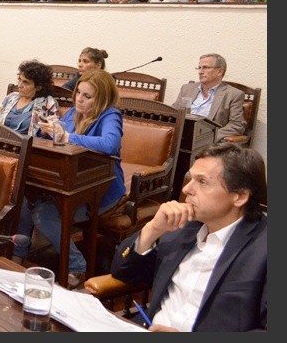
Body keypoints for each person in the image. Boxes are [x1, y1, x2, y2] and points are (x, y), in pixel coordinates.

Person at [105, 142, 266, 332]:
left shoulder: (263, 248)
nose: (187, 189)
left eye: (202, 182)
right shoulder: (182, 227)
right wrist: (152, 230)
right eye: (191, 179)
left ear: (239, 197)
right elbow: (123, 272)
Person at [15, 69, 125, 289]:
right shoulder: (73, 113)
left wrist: (67, 136)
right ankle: (17, 257)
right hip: (69, 182)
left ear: (101, 98)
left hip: (100, 189)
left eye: (87, 96)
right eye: (78, 94)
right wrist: (48, 131)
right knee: (26, 202)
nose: (80, 100)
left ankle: (77, 266)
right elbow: (56, 139)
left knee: (44, 214)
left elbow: (109, 144)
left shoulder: (110, 115)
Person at [171, 53, 246, 143]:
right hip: (180, 136)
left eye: (206, 67)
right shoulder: (187, 88)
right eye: (199, 68)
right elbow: (173, 112)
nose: (200, 72)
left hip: (207, 142)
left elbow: (237, 125)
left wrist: (209, 136)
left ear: (220, 71)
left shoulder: (233, 94)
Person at [0, 60, 58, 135]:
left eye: (26, 82)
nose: (19, 85)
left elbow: (49, 132)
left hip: (25, 144)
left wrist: (44, 131)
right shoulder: (11, 97)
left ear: (38, 87)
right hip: (0, 140)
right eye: (19, 80)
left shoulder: (48, 103)